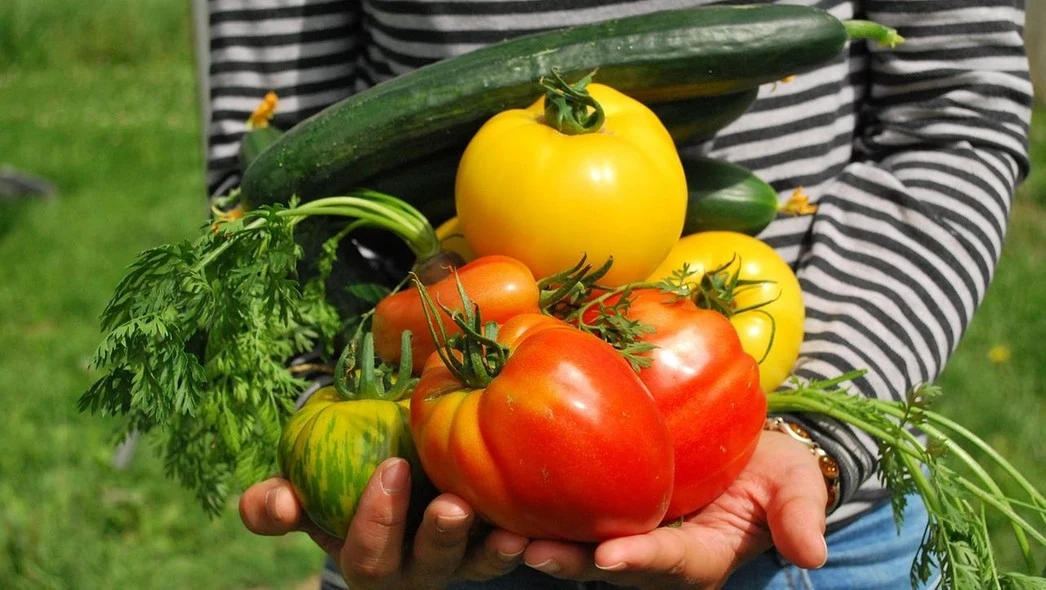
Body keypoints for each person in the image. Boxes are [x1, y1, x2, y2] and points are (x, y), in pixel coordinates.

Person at [202, 0, 1034, 588]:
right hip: (434, 495)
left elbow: (955, 116)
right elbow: (269, 187)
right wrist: (338, 425)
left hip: (804, 523)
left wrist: (816, 434)